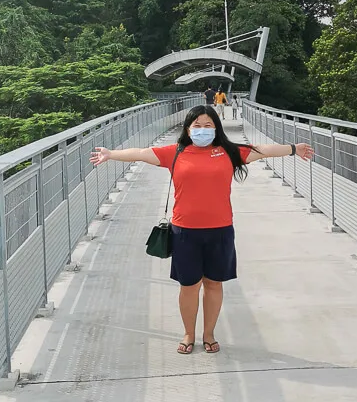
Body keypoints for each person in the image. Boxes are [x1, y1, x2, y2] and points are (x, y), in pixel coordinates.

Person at [90, 105, 314, 355]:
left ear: (216, 128)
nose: (203, 130)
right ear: (188, 129)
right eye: (197, 125)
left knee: (214, 284)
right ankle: (189, 333)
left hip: (220, 230)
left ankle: (209, 333)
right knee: (189, 285)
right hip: (184, 231)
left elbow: (262, 151)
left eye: (208, 125)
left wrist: (294, 149)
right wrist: (111, 154)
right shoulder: (175, 153)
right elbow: (142, 153)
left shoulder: (228, 152)